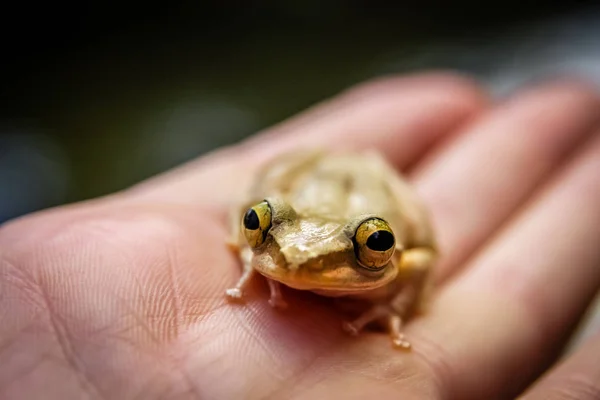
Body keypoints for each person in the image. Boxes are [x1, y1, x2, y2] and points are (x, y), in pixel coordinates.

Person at [0, 72, 599, 399]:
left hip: (366, 198)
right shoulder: (279, 231)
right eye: (264, 230)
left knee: (382, 226)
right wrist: (251, 240)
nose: (299, 259)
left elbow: (420, 258)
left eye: (370, 247)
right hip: (316, 190)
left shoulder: (384, 245)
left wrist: (391, 298)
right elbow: (261, 223)